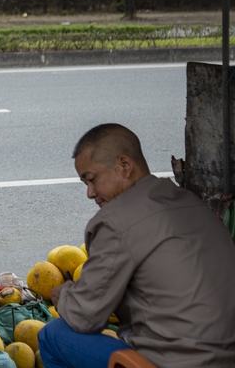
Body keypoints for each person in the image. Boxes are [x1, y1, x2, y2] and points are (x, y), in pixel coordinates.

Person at [38, 123, 235, 368]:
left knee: (52, 335)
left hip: (180, 361)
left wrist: (63, 294)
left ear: (124, 166)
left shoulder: (115, 221)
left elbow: (85, 316)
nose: (90, 192)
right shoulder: (190, 202)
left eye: (92, 179)